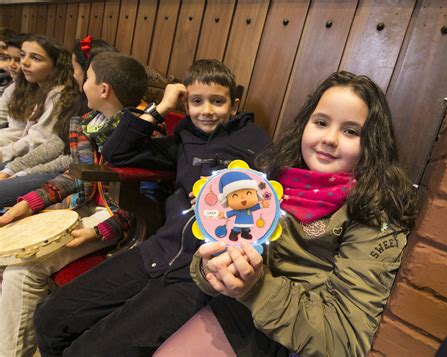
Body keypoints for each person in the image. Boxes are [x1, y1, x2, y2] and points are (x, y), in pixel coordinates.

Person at [155, 71, 418, 356]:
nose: (329, 139)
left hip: (297, 338)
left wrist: (254, 288)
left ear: (372, 145)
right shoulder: (271, 181)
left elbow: (345, 339)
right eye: (320, 122)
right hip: (241, 309)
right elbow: (223, 252)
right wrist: (210, 269)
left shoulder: (374, 212)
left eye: (351, 131)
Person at [33, 59, 271, 356]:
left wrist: (231, 203)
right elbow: (116, 152)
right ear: (186, 104)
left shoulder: (252, 140)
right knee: (48, 319)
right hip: (157, 250)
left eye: (217, 102)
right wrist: (161, 107)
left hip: (198, 272)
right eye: (197, 101)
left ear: (234, 105)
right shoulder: (185, 138)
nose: (206, 110)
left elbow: (268, 201)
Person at [0, 51, 148, 357]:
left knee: (24, 268)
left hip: (117, 220)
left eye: (88, 78)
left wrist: (99, 232)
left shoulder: (141, 132)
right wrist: (29, 203)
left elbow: (144, 203)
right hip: (84, 208)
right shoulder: (86, 123)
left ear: (103, 89)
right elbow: (75, 175)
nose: (82, 84)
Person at [0, 35, 116, 210]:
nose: (72, 74)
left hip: (61, 174)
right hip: (50, 167)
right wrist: (12, 169)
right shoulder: (82, 104)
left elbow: (72, 160)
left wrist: (21, 172)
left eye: (75, 68)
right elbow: (58, 141)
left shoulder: (87, 109)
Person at [0, 35, 81, 163]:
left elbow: (39, 140)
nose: (24, 62)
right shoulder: (27, 86)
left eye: (36, 58)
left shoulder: (58, 94)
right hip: (20, 157)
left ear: (56, 65)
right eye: (23, 55)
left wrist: (4, 153)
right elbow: (17, 130)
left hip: (42, 162)